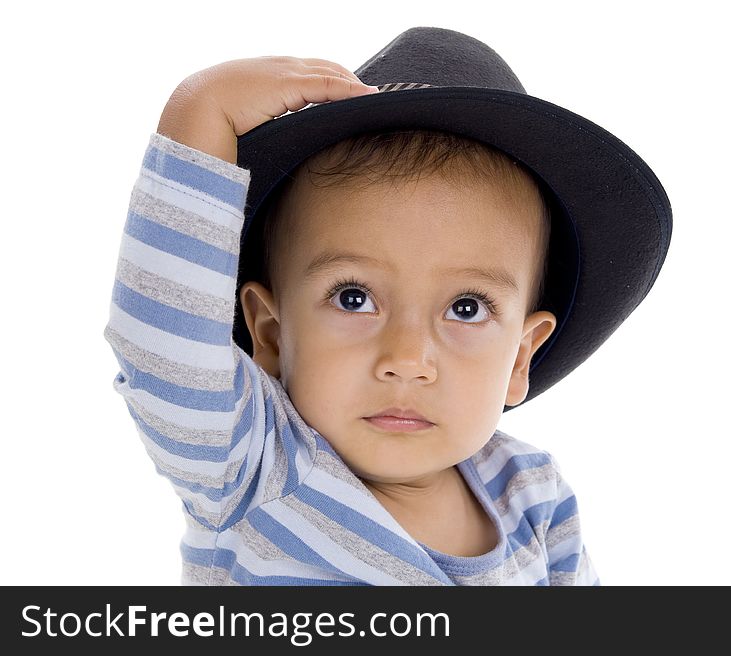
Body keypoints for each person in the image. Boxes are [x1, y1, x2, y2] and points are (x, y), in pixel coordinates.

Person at [104, 27, 672, 585]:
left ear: (521, 356)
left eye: (467, 308)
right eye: (355, 298)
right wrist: (204, 110)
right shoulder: (255, 464)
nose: (407, 358)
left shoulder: (533, 496)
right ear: (272, 335)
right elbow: (164, 351)